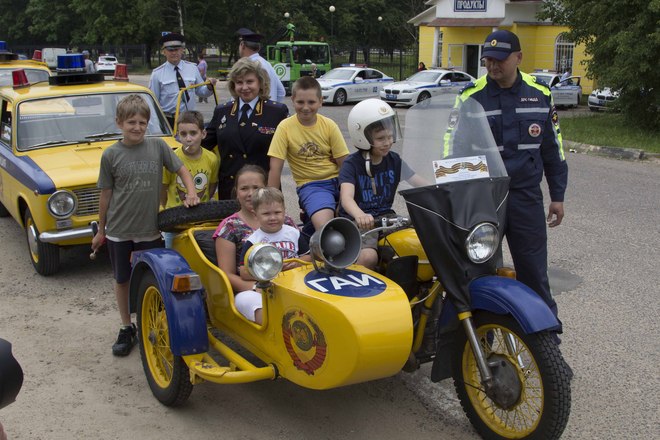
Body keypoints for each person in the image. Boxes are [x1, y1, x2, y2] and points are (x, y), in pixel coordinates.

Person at [456, 30, 568, 339]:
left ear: (518, 58)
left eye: (500, 60)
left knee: (533, 272)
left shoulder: (540, 94)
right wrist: (456, 194)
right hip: (483, 198)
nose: (493, 66)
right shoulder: (470, 96)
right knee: (477, 271)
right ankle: (479, 343)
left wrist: (557, 195)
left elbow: (553, 150)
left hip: (524, 198)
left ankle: (546, 343)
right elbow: (453, 148)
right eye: (488, 60)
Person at [91, 95, 201, 356]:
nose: (137, 127)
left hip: (150, 230)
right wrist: (101, 231)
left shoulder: (158, 147)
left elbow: (182, 170)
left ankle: (153, 319)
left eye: (142, 122)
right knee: (122, 279)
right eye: (131, 122)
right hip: (119, 231)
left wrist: (192, 192)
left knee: (153, 278)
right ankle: (126, 326)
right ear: (119, 123)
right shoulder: (110, 155)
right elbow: (105, 195)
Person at [339, 99, 425, 269]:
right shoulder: (352, 164)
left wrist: (442, 190)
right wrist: (359, 215)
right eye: (380, 138)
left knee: (421, 241)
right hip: (359, 223)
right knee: (368, 258)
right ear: (362, 137)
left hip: (387, 218)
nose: (387, 142)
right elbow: (346, 198)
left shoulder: (394, 160)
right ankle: (357, 284)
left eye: (390, 136)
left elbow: (419, 182)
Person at [213, 165, 298, 321]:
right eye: (244, 188)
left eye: (256, 188)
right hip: (252, 289)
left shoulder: (285, 221)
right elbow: (227, 274)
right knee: (256, 303)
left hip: (291, 282)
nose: (250, 194)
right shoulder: (230, 227)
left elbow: (304, 253)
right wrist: (255, 287)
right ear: (236, 192)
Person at [267, 76, 349, 233]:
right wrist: (271, 203)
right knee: (326, 227)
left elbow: (344, 164)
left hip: (339, 181)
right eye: (300, 102)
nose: (305, 107)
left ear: (320, 101)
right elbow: (275, 168)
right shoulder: (285, 127)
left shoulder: (329, 125)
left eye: (311, 102)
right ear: (292, 100)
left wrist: (346, 196)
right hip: (312, 185)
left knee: (364, 216)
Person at [202, 57, 288, 199]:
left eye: (249, 81)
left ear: (260, 83)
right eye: (239, 82)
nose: (244, 87)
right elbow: (203, 144)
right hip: (230, 190)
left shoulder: (276, 112)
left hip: (264, 191)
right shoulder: (222, 111)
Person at [237, 187, 310, 323]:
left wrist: (297, 262)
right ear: (255, 214)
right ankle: (273, 326)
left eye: (277, 212)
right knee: (243, 299)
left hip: (296, 283)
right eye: (266, 214)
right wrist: (270, 270)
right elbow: (243, 271)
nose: (272, 218)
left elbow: (308, 257)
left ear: (284, 211)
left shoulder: (293, 233)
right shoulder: (253, 240)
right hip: (268, 288)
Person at [161, 111, 218, 247]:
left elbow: (211, 186)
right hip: (175, 222)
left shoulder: (212, 159)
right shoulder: (171, 158)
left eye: (193, 133)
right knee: (172, 256)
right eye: (183, 134)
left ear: (203, 134)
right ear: (177, 136)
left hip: (201, 221)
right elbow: (162, 189)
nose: (188, 139)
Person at [149, 32, 217, 127]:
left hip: (190, 119)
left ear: (182, 50)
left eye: (177, 49)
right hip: (168, 121)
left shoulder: (192, 68)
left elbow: (201, 91)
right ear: (164, 52)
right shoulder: (157, 74)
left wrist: (209, 87)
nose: (174, 53)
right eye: (170, 50)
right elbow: (152, 103)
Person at [236, 28, 286, 102]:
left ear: (242, 45)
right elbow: (281, 92)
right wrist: (274, 106)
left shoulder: (247, 66)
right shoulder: (266, 63)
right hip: (269, 108)